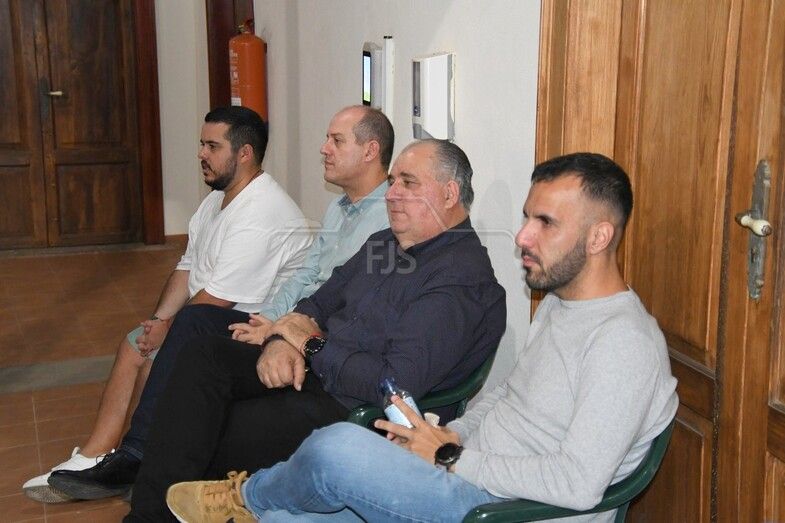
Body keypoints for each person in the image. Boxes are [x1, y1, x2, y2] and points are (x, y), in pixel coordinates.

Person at [165, 152, 680, 523]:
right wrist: (444, 435)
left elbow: (577, 484)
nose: (523, 236)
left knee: (336, 447)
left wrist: (452, 457)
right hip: (462, 474)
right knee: (284, 517)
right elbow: (507, 397)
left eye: (545, 223)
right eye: (527, 217)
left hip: (499, 509)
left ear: (599, 236)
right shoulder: (561, 307)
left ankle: (245, 496)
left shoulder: (623, 344)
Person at [121, 139, 507, 521]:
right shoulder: (385, 245)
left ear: (448, 194)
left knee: (210, 425)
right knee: (203, 354)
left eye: (408, 183)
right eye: (392, 182)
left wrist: (310, 344)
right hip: (315, 371)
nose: (391, 194)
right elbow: (318, 303)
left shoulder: (459, 279)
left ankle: (164, 509)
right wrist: (280, 341)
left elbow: (394, 384)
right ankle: (151, 512)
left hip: (356, 411)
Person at [45, 105, 394, 501]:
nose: (323, 148)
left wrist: (280, 330)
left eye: (336, 141)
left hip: (311, 342)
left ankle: (140, 458)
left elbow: (345, 302)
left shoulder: (385, 219)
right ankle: (129, 454)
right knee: (186, 326)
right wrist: (268, 319)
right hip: (283, 322)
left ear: (370, 151)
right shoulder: (339, 208)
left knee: (191, 333)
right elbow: (304, 276)